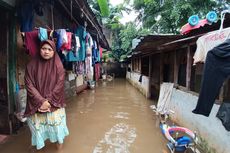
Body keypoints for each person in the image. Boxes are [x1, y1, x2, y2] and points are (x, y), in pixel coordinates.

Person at [24, 39, 69, 151]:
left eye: (49, 49)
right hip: (37, 104)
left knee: (57, 128)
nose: (46, 51)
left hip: (53, 103)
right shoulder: (31, 65)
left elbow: (59, 85)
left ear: (54, 51)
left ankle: (59, 146)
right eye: (44, 48)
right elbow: (29, 84)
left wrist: (47, 101)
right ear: (40, 50)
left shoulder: (58, 66)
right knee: (38, 128)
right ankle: (38, 145)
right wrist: (41, 101)